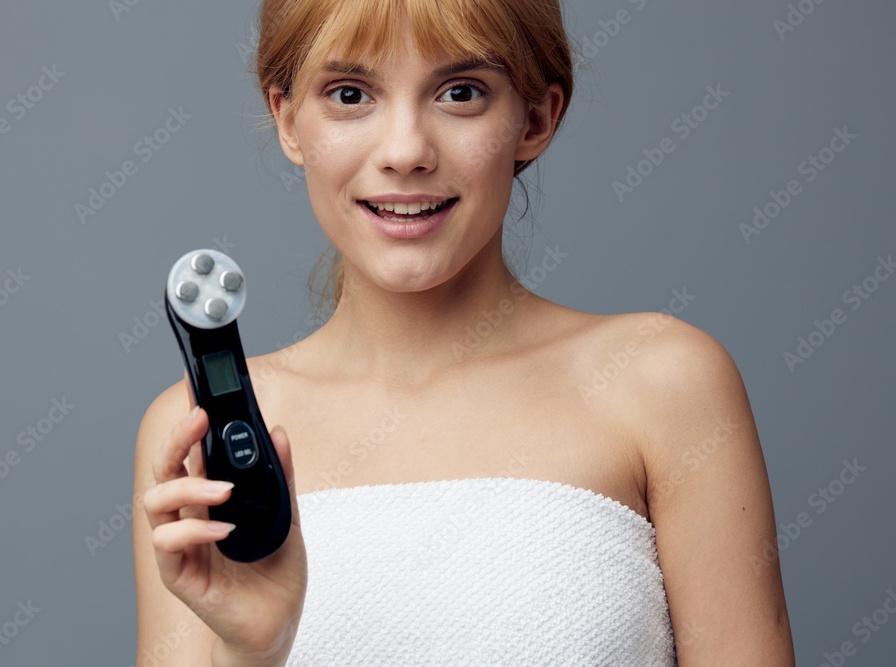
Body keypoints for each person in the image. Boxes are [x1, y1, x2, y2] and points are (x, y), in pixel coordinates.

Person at [133, 0, 796, 664]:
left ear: (535, 119)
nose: (405, 152)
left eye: (460, 92)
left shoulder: (665, 383)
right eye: (350, 94)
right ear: (289, 121)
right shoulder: (195, 433)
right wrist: (252, 651)